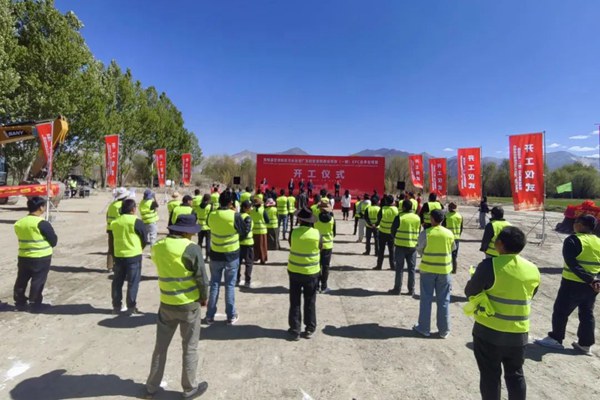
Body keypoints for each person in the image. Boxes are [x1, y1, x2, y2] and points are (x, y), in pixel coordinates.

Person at [465, 226, 540, 400]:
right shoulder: (533, 269)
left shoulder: (489, 265)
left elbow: (470, 291)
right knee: (515, 374)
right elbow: (531, 294)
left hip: (489, 332)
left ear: (500, 244)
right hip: (518, 333)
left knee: (490, 376)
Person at [145, 214, 209, 399]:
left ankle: (151, 386)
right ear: (185, 233)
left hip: (166, 303)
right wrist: (204, 298)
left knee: (160, 347)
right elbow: (201, 279)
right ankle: (189, 388)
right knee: (189, 347)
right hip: (189, 305)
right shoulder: (191, 249)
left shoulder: (158, 246)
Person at [535, 215, 600, 356]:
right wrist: (596, 280)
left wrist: (590, 279)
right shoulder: (598, 242)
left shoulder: (573, 240)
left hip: (573, 283)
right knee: (587, 313)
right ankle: (585, 344)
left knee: (561, 311)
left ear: (582, 225)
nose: (574, 224)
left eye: (576, 222)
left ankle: (556, 338)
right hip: (592, 286)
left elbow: (572, 263)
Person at [205, 191, 246, 325]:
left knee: (214, 284)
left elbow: (210, 226)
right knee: (229, 285)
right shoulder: (235, 215)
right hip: (231, 255)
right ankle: (231, 315)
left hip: (215, 254)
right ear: (230, 203)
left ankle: (209, 316)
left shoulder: (212, 215)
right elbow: (244, 232)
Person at [413, 210, 455, 338]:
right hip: (444, 271)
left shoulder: (426, 233)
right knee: (444, 301)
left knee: (426, 299)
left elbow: (419, 248)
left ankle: (424, 328)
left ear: (431, 219)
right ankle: (444, 330)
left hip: (428, 270)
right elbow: (453, 248)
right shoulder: (449, 233)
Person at [13, 197, 58, 312]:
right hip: (41, 256)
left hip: (24, 255)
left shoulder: (19, 223)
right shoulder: (42, 223)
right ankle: (34, 302)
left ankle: (19, 300)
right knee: (38, 280)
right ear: (40, 208)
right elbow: (53, 240)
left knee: (22, 279)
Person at [287, 207, 322, 341]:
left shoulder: (293, 233)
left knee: (295, 301)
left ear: (300, 220)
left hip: (295, 271)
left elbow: (291, 245)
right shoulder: (316, 234)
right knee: (310, 301)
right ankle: (309, 328)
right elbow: (321, 247)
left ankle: (295, 330)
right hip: (311, 272)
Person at [110, 199, 147, 315]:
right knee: (133, 282)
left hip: (119, 255)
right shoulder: (136, 221)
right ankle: (131, 307)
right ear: (133, 209)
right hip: (133, 255)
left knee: (117, 282)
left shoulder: (115, 222)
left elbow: (111, 239)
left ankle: (116, 306)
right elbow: (145, 238)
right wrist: (140, 247)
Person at [389, 199, 421, 295]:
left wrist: (397, 238)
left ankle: (397, 289)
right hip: (412, 246)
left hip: (400, 246)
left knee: (399, 268)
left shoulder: (399, 217)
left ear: (403, 207)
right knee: (411, 269)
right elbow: (418, 230)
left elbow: (392, 230)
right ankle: (411, 290)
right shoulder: (417, 218)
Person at [106, 187, 130, 273]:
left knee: (111, 248)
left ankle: (110, 266)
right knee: (120, 247)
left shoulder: (112, 205)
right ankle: (120, 266)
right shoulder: (123, 205)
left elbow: (107, 216)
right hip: (119, 229)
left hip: (110, 228)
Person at [315, 201, 336, 293]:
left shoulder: (315, 219)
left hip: (317, 245)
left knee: (317, 266)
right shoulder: (332, 220)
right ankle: (324, 286)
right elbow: (334, 233)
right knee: (326, 266)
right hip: (328, 245)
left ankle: (316, 287)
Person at [373, 195, 398, 270]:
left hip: (382, 232)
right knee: (391, 250)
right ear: (393, 201)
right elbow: (397, 222)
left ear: (386, 201)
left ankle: (379, 266)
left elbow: (378, 219)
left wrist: (375, 225)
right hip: (391, 234)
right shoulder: (396, 210)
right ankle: (392, 266)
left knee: (381, 250)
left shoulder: (382, 209)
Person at [237, 201, 255, 287]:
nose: (251, 209)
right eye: (249, 207)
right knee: (248, 263)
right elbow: (246, 231)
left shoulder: (237, 216)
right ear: (245, 208)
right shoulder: (247, 218)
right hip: (248, 244)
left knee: (238, 263)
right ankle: (247, 281)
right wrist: (242, 238)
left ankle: (237, 279)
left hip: (238, 244)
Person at [443, 202, 463, 274]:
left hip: (448, 237)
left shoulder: (447, 216)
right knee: (454, 255)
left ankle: (446, 267)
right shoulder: (460, 216)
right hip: (456, 238)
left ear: (449, 208)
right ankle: (454, 269)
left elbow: (443, 227)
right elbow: (461, 228)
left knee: (447, 253)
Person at [250, 198, 269, 264]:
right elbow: (267, 220)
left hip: (254, 231)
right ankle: (263, 259)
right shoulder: (263, 211)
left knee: (255, 246)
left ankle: (255, 257)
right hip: (262, 231)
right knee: (263, 246)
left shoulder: (251, 211)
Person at [195, 194, 212, 263]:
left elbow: (196, 214)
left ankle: (199, 256)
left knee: (200, 242)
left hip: (200, 226)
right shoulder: (209, 207)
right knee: (208, 243)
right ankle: (207, 257)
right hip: (207, 227)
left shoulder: (198, 207)